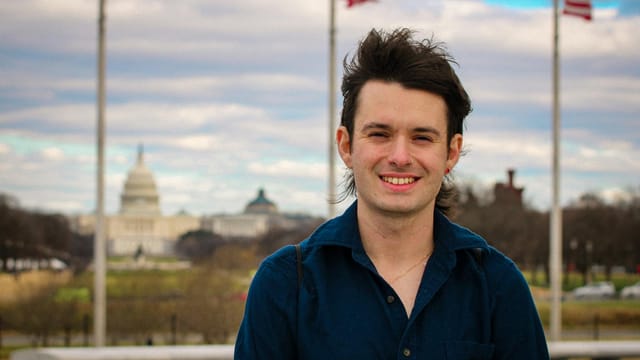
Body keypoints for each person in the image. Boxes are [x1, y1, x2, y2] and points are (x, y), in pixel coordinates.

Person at [235, 28, 549, 359]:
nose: (400, 157)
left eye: (422, 137)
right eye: (380, 134)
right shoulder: (284, 285)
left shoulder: (498, 286)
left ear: (452, 153)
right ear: (346, 145)